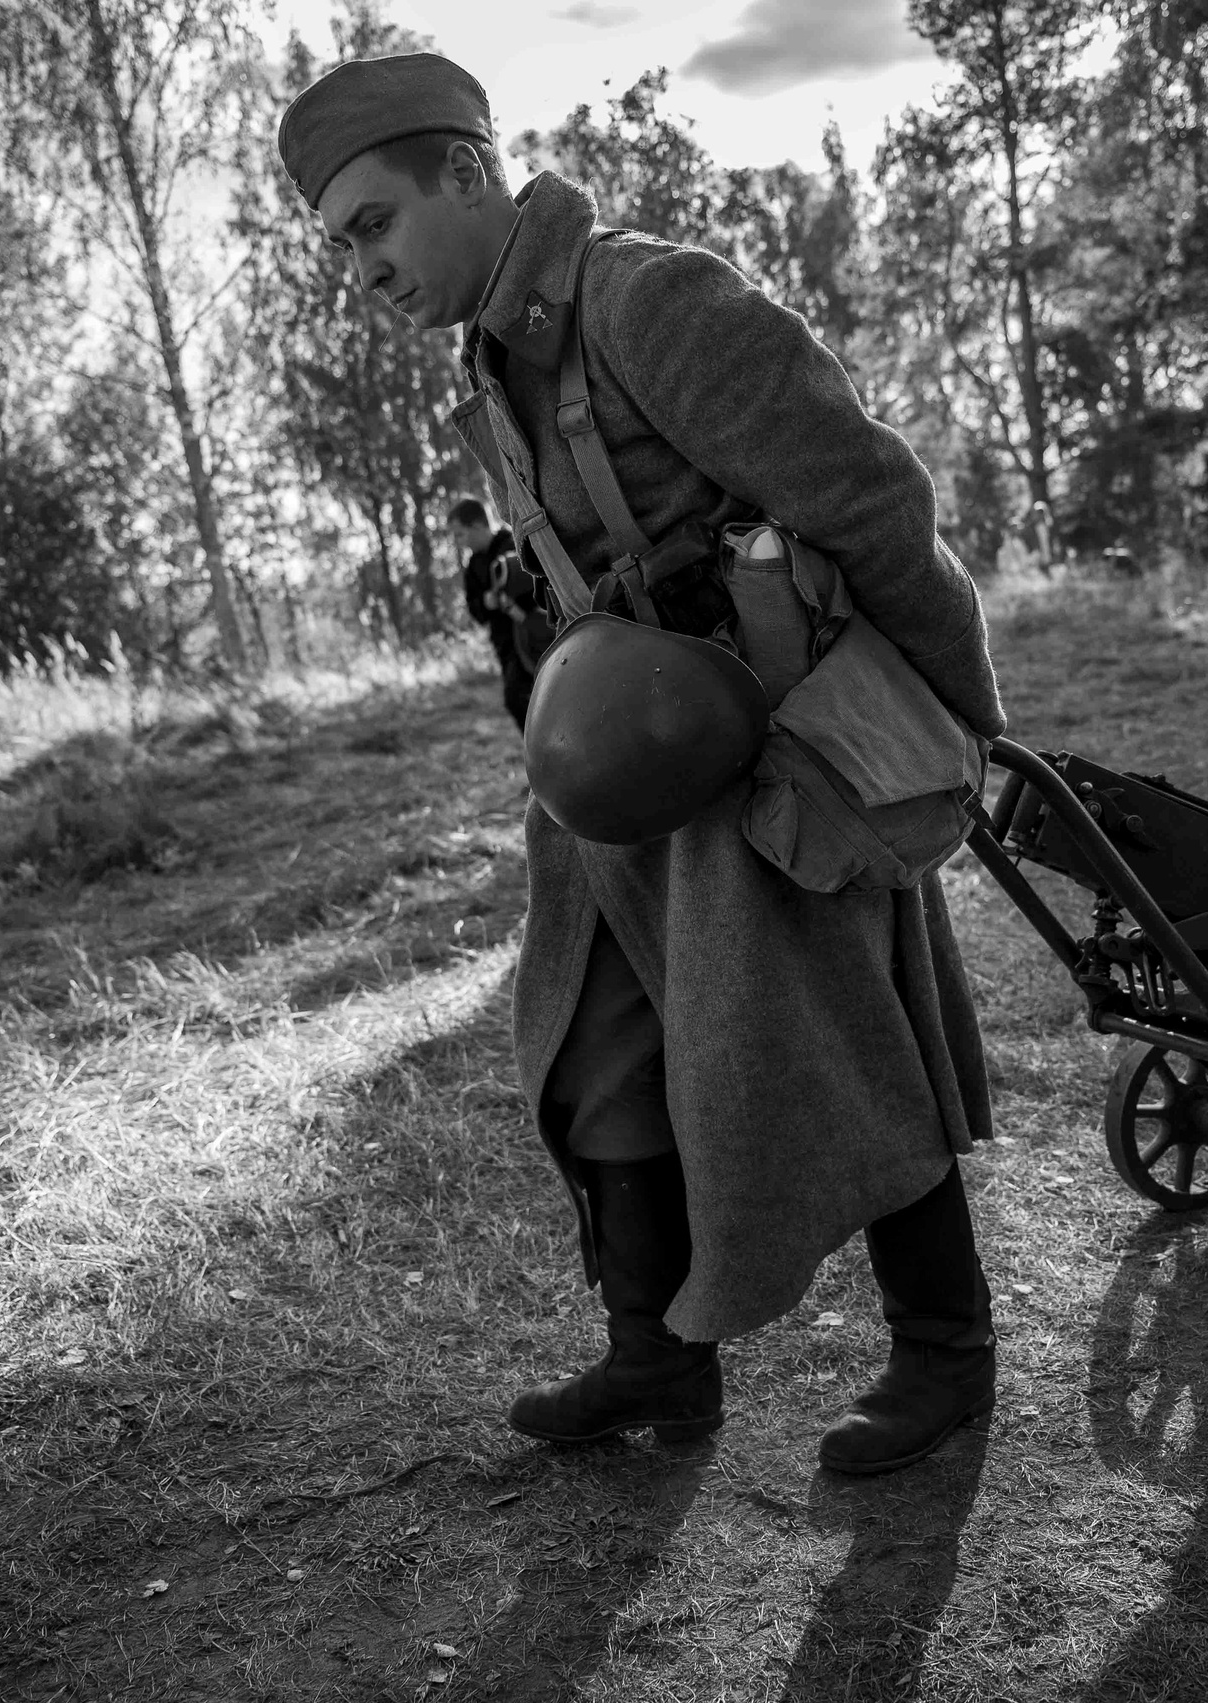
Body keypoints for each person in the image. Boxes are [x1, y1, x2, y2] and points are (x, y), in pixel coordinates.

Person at [281, 52, 1003, 1475]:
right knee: (597, 1038)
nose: (360, 269)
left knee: (838, 1039)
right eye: (338, 246)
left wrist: (961, 721)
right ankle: (657, 1360)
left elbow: (869, 495)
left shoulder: (648, 298)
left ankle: (948, 1355)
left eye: (374, 222)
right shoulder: (493, 365)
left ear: (470, 174)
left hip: (775, 767)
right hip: (632, 777)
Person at [452, 496, 545, 729]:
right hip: (506, 645)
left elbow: (540, 584)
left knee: (545, 694)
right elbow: (475, 609)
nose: (458, 541)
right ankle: (540, 753)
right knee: (517, 701)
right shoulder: (473, 567)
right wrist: (486, 603)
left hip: (538, 636)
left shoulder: (514, 542)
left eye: (460, 534)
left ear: (477, 526)